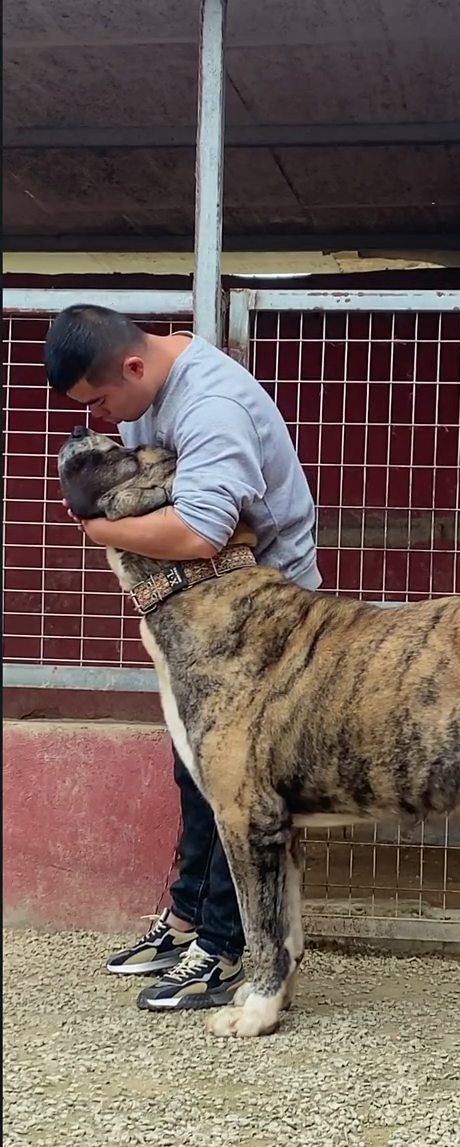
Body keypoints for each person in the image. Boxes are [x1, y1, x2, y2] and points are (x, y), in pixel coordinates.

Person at [44, 305, 320, 1012]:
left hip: (262, 615)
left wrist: (99, 528)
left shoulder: (212, 406)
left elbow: (200, 531)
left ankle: (223, 949)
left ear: (133, 367)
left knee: (236, 785)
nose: (102, 420)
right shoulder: (145, 395)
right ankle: (189, 920)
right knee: (193, 770)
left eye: (101, 402)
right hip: (200, 613)